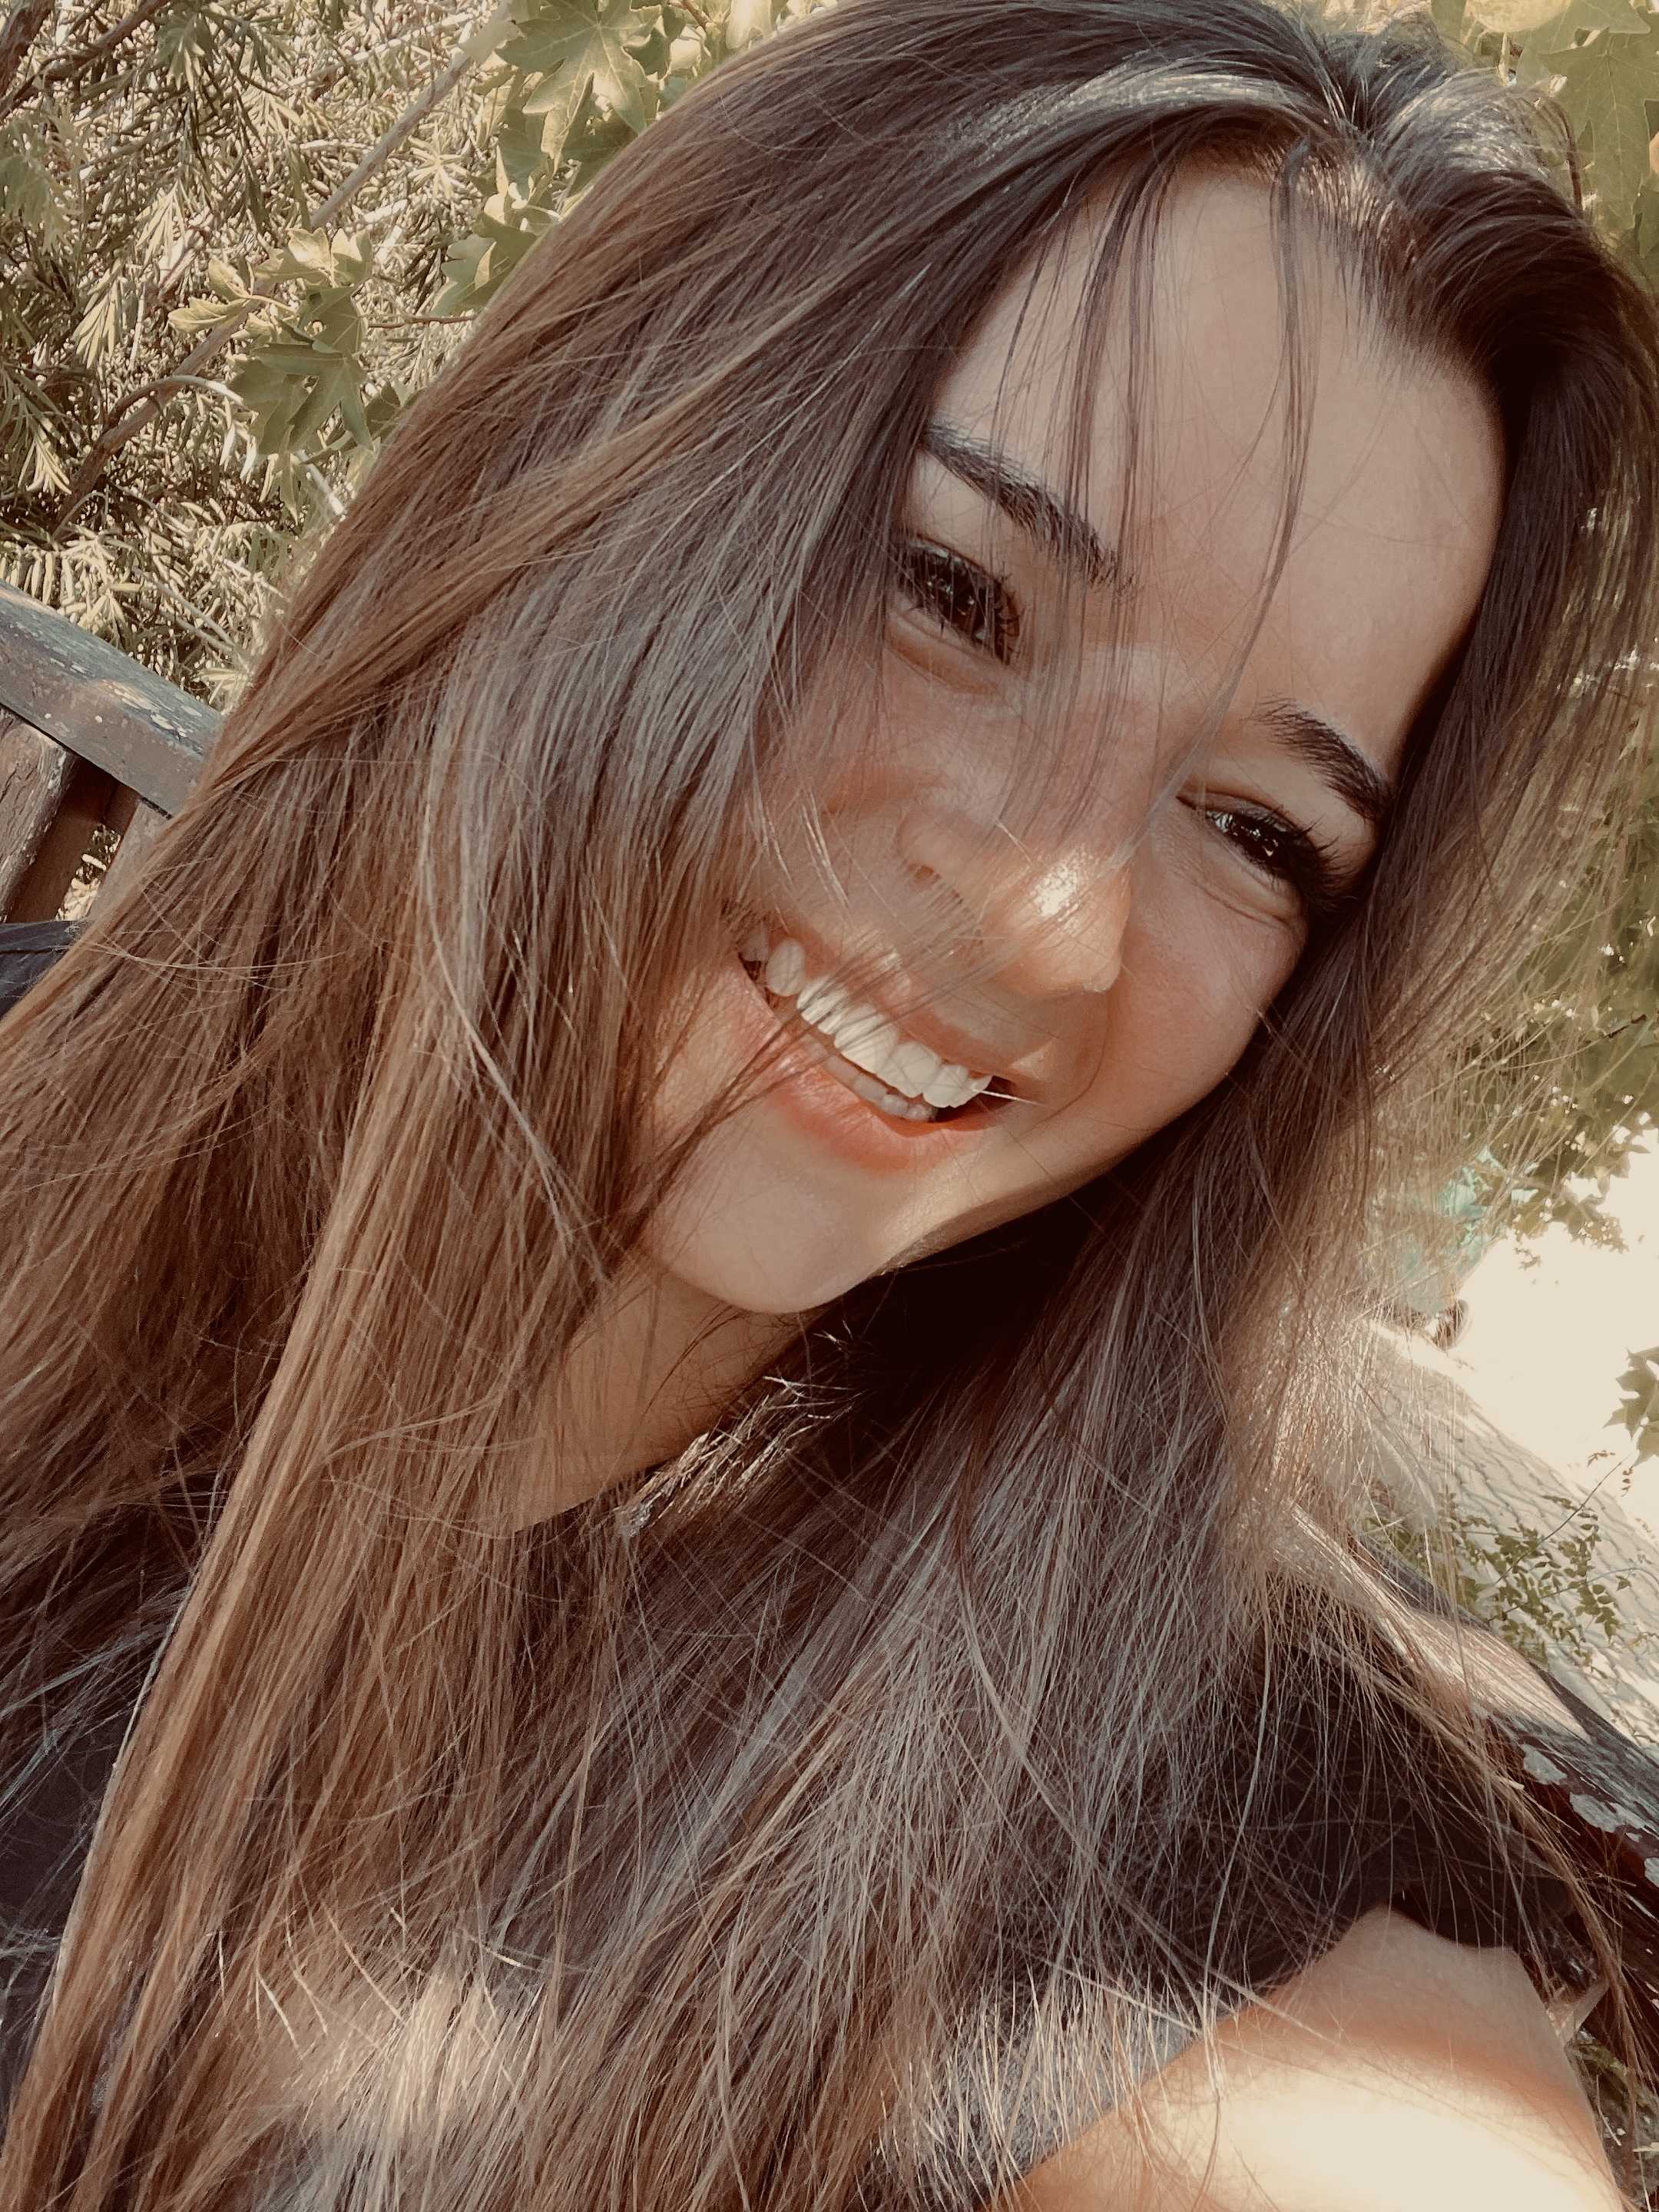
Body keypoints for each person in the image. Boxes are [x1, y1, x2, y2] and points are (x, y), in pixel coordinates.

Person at [1, 1, 1657, 2204]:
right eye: (957, 591)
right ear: (607, 441)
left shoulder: (1223, 1973)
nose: (1055, 924)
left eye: (1261, 832)